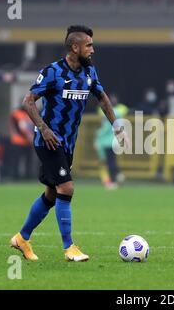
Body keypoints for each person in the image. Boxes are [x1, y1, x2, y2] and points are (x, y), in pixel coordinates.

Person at [10, 25, 129, 262]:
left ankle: (22, 238)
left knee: (52, 195)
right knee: (67, 188)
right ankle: (69, 248)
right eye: (89, 46)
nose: (93, 50)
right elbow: (28, 100)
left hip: (68, 144)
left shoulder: (89, 73)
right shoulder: (53, 72)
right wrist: (43, 129)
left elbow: (103, 98)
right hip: (48, 142)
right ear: (75, 47)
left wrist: (117, 126)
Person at [95, 93, 128, 189]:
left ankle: (113, 180)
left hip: (107, 140)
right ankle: (117, 175)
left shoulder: (103, 111)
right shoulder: (122, 109)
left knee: (108, 161)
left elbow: (104, 126)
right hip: (114, 139)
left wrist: (98, 136)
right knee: (111, 160)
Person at [8, 106, 34, 180]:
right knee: (16, 160)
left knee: (28, 161)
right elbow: (20, 128)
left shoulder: (30, 114)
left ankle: (28, 176)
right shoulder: (16, 114)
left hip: (27, 142)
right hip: (18, 141)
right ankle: (15, 176)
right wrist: (30, 138)